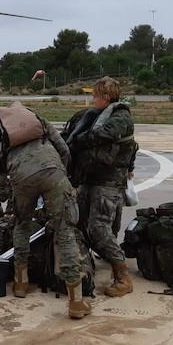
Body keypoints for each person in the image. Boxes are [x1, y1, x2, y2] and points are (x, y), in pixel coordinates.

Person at [0, 104, 91, 319]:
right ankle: (76, 301)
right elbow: (63, 149)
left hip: (21, 179)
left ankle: (20, 283)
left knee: (22, 225)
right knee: (65, 233)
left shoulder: (0, 138)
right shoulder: (39, 123)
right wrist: (61, 174)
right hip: (53, 173)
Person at [68, 77, 137, 297]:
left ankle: (122, 276)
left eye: (95, 96)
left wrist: (79, 140)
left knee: (99, 229)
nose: (92, 99)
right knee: (78, 223)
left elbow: (105, 134)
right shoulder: (94, 116)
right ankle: (86, 265)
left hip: (107, 183)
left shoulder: (121, 117)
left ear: (106, 97)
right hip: (90, 179)